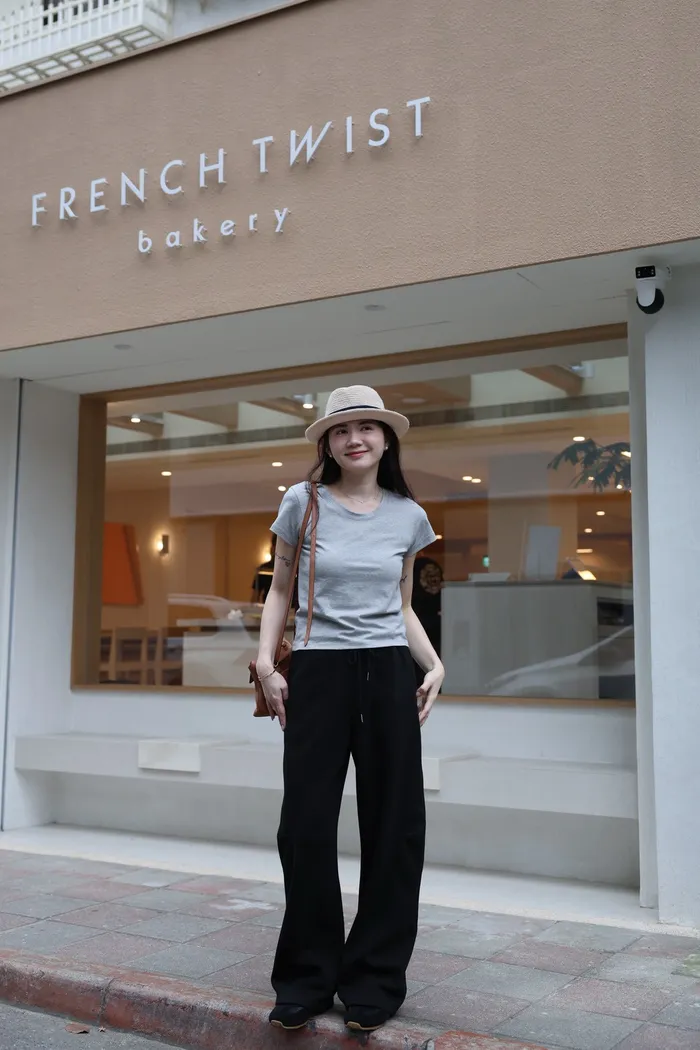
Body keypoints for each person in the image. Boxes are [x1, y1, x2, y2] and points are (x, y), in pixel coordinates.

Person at [254, 385, 444, 1034]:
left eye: (366, 427)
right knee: (305, 825)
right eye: (340, 429)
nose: (353, 438)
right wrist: (265, 663)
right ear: (327, 444)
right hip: (319, 671)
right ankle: (306, 978)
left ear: (386, 440)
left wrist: (434, 664)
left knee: (395, 826)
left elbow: (402, 605)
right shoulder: (302, 502)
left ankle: (374, 979)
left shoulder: (409, 516)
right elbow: (279, 590)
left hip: (388, 670)